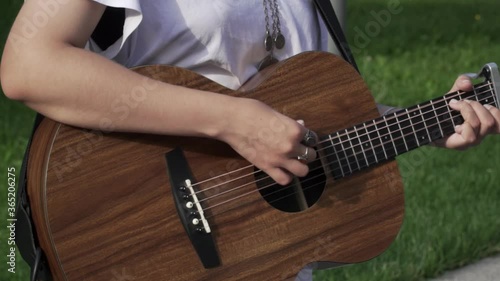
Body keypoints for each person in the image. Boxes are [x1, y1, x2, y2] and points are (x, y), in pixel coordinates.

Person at [1, 1, 499, 280]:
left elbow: (299, 114)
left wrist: (426, 122)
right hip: (149, 236)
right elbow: (29, 66)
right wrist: (232, 121)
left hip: (260, 259)